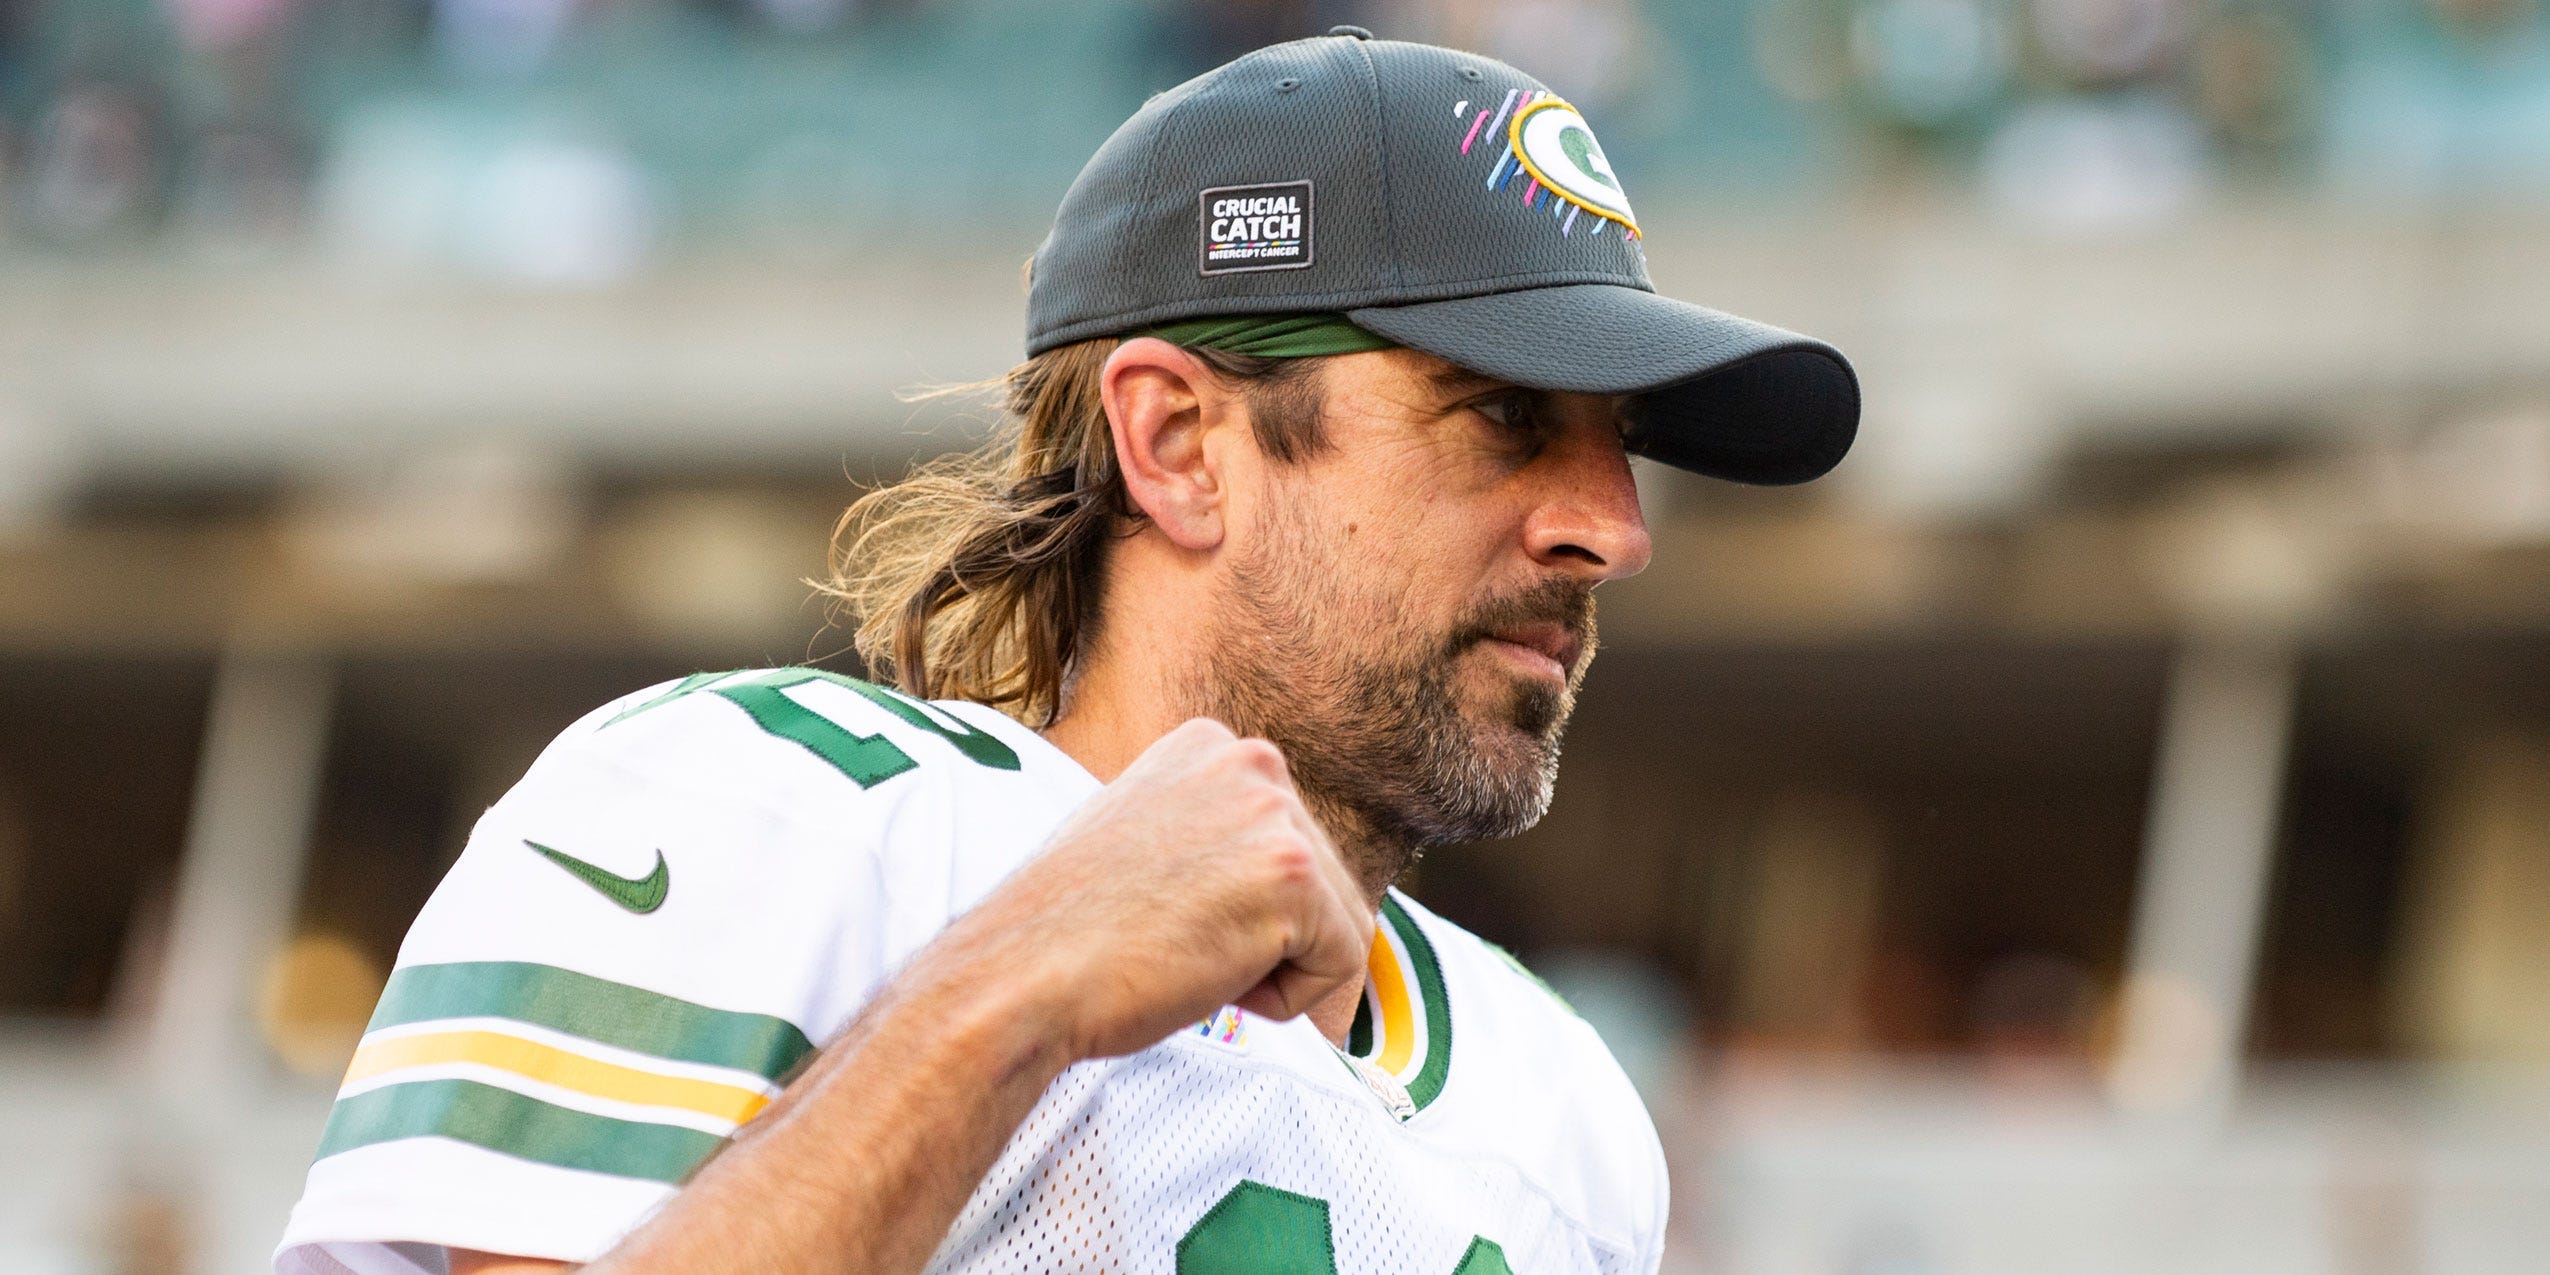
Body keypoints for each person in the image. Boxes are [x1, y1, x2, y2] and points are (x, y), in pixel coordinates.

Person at [273, 27, 1857, 1275]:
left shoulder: (1570, 1111)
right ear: (1176, 443)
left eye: (1618, 442)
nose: (1612, 526)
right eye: (1502, 417)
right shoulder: (748, 811)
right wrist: (1013, 988)